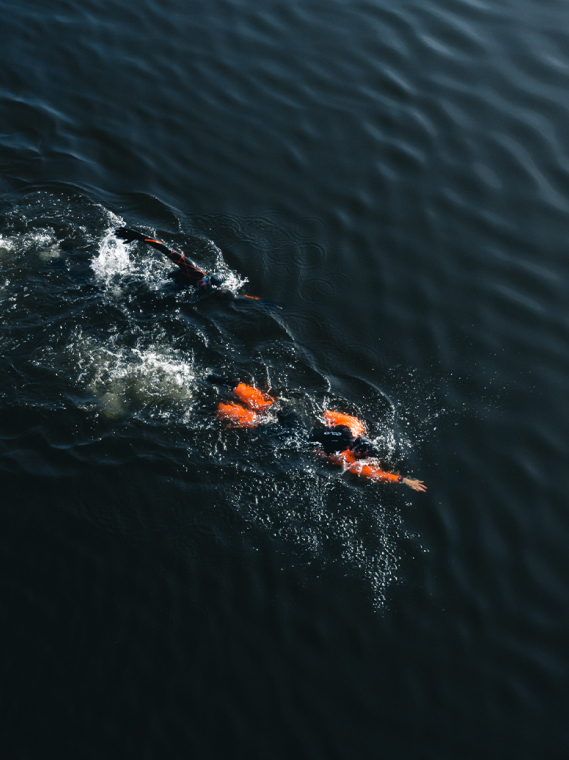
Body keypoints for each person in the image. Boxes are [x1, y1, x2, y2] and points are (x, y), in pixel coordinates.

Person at [209, 377, 427, 492]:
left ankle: (230, 384)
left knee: (266, 404)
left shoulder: (354, 425)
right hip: (293, 438)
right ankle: (215, 405)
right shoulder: (347, 458)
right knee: (252, 422)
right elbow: (373, 474)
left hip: (298, 419)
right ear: (358, 451)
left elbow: (327, 414)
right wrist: (403, 479)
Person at [114, 227, 259, 298]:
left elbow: (236, 297)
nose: (203, 286)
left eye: (207, 287)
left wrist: (256, 301)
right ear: (206, 275)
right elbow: (163, 248)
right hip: (161, 281)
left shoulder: (215, 291)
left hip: (173, 292)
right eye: (205, 281)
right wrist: (137, 236)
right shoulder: (191, 268)